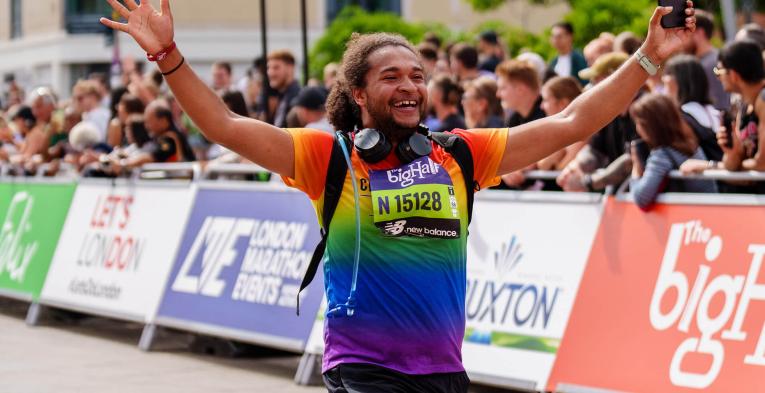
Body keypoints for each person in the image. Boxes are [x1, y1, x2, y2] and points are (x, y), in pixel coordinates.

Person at [101, 1, 695, 391]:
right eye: (392, 76)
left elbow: (570, 123)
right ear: (359, 94)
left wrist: (648, 56)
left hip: (444, 368)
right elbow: (227, 127)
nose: (410, 84)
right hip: (363, 366)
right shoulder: (327, 156)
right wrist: (168, 58)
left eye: (417, 75)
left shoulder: (461, 153)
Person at [629, 94, 717, 209]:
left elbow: (641, 198)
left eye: (639, 123)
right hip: (709, 211)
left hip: (692, 216)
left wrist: (636, 169)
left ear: (651, 125)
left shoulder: (662, 155)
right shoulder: (690, 143)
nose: (637, 128)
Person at [662, 54, 723, 162]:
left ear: (679, 80)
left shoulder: (684, 115)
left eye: (668, 73)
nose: (663, 78)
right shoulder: (712, 111)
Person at [685, 10, 730, 111]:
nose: (682, 39)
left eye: (686, 32)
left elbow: (720, 106)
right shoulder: (712, 60)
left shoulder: (712, 63)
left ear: (700, 33)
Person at [537, 76, 584, 171]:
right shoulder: (551, 130)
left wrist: (556, 154)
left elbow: (563, 167)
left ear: (563, 103)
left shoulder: (582, 129)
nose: (541, 106)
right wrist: (558, 152)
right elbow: (542, 165)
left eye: (545, 100)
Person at [265, 50, 301, 128]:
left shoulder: (296, 97)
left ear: (290, 68)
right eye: (268, 68)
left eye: (276, 67)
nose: (270, 73)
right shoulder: (283, 96)